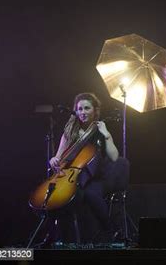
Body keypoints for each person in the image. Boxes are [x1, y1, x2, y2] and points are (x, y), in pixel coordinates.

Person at [49, 92, 129, 243]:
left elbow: (114, 157)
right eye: (79, 109)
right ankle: (61, 238)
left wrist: (106, 135)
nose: (83, 112)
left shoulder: (100, 130)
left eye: (87, 108)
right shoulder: (70, 131)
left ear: (95, 111)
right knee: (60, 196)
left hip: (97, 177)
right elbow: (59, 157)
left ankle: (108, 233)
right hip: (74, 177)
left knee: (91, 193)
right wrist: (54, 160)